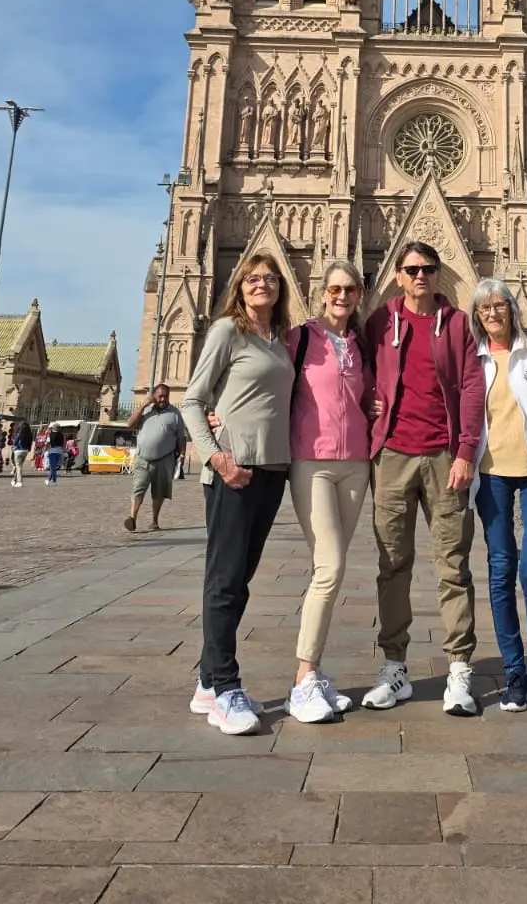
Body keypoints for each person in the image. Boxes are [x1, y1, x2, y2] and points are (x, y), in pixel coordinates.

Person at [362, 240, 484, 717]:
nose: (420, 276)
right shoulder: (379, 321)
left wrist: (466, 450)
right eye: (412, 269)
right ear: (397, 275)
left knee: (453, 566)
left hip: (443, 457)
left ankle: (459, 670)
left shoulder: (457, 325)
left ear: (438, 274)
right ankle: (395, 667)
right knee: (392, 563)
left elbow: (473, 386)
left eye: (428, 269)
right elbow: (357, 368)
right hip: (391, 456)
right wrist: (369, 399)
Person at [182, 251, 294, 736]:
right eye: (253, 279)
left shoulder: (281, 340)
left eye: (270, 278)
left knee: (238, 578)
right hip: (234, 468)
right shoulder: (229, 330)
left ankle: (208, 680)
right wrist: (215, 456)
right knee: (225, 579)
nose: (262, 285)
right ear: (239, 285)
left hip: (270, 469)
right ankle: (226, 687)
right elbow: (193, 400)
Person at [284, 259, 374, 724]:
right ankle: (303, 678)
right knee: (331, 566)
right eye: (335, 289)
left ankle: (313, 674)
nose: (342, 296)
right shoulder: (299, 338)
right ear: (322, 292)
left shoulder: (361, 346)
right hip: (312, 463)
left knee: (331, 570)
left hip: (355, 464)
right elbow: (265, 379)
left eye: (351, 290)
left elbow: (370, 396)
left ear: (359, 296)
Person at [470, 278, 527, 717]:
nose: (493, 312)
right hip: (491, 477)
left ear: (512, 308)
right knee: (500, 573)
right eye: (484, 307)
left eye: (499, 305)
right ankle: (514, 673)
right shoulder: (475, 356)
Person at [123, 384, 186, 533]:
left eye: (166, 396)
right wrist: (144, 404)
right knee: (138, 488)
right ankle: (132, 518)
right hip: (143, 458)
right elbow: (130, 424)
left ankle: (154, 521)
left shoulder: (175, 414)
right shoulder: (145, 410)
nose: (163, 399)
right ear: (154, 395)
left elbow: (181, 437)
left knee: (159, 492)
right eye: (160, 396)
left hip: (165, 458)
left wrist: (182, 454)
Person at [9, 420, 33, 488]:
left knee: (18, 467)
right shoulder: (29, 435)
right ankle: (14, 480)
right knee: (19, 466)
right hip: (25, 451)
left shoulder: (20, 434)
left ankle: (19, 482)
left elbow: (15, 442)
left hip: (18, 451)